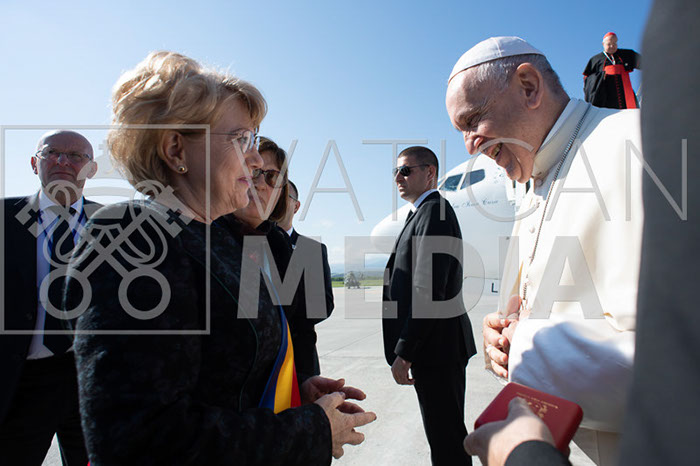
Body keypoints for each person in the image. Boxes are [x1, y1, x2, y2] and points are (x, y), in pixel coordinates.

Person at [63, 51, 375, 465]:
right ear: (176, 149)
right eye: (241, 139)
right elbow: (141, 441)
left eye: (254, 140)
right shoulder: (131, 236)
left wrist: (294, 392)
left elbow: (223, 374)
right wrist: (310, 429)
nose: (256, 159)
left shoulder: (217, 238)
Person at [446, 36, 643, 465]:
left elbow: (674, 362)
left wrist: (527, 344)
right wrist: (503, 337)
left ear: (529, 86)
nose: (470, 146)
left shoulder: (637, 145)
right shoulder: (535, 181)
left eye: (472, 121)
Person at [0, 130, 98, 466]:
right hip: (21, 379)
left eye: (76, 156)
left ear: (91, 169)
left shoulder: (117, 224)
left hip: (92, 381)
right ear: (34, 163)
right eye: (51, 153)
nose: (62, 161)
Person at [381, 146, 477, 465]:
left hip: (438, 349)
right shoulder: (423, 213)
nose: (398, 177)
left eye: (406, 170)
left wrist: (405, 352)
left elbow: (429, 290)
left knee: (447, 440)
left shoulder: (435, 212)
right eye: (396, 171)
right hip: (435, 347)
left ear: (430, 173)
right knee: (443, 436)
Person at [230, 138, 329, 380]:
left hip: (289, 379)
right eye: (252, 171)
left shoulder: (282, 244)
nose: (259, 184)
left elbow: (305, 322)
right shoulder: (204, 239)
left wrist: (303, 382)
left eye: (272, 177)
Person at [278, 179, 335, 375]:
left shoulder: (311, 250)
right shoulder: (246, 246)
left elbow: (323, 306)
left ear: (296, 206)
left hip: (300, 359)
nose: (275, 200)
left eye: (283, 196)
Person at [583, 32, 641, 109]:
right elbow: (587, 80)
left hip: (626, 94)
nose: (612, 46)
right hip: (605, 96)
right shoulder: (595, 60)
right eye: (609, 44)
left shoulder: (626, 54)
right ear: (603, 44)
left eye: (614, 43)